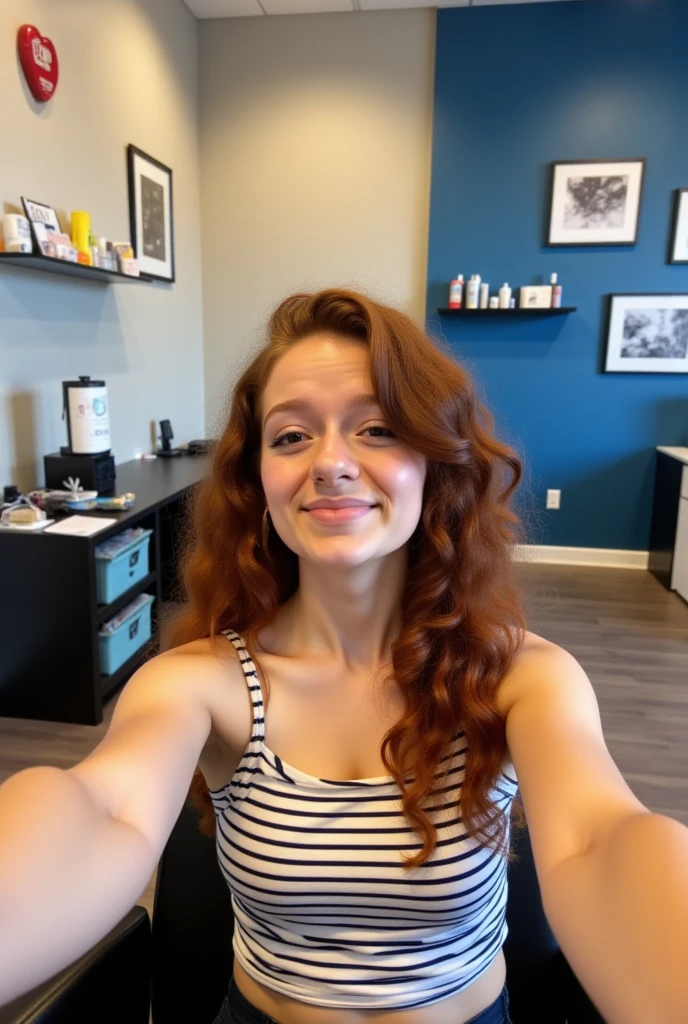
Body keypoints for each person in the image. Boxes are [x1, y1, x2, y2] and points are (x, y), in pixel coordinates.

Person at [0, 288, 686, 1024]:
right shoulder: (198, 685)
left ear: (434, 460)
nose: (329, 462)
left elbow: (599, 840)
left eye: (378, 429)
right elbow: (107, 812)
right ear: (257, 480)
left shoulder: (523, 679)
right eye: (291, 436)